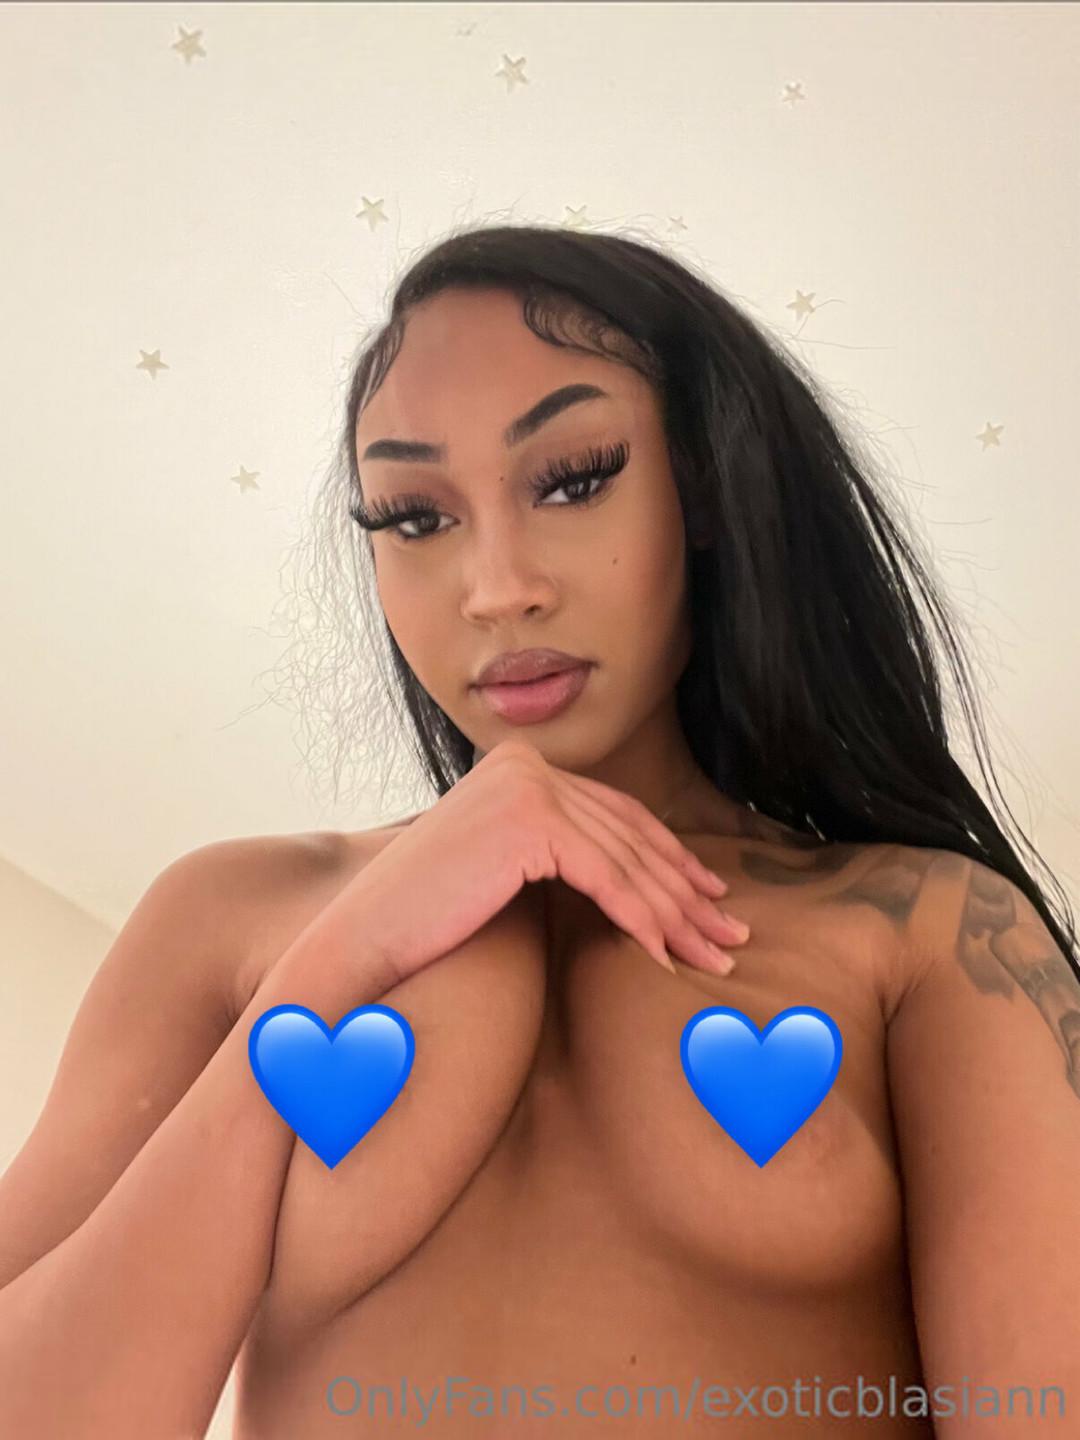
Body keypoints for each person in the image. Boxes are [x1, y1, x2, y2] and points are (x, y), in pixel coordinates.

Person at [1, 224, 1077, 1438]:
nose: (497, 587)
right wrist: (346, 953)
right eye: (415, 516)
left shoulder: (929, 931)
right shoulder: (228, 918)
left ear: (704, 492)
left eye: (573, 480)